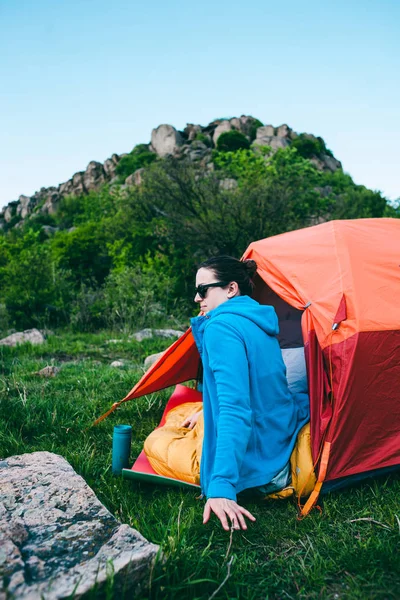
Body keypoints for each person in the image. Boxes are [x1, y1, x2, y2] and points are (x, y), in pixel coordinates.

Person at [185, 256, 309, 531]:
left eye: (203, 289)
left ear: (231, 289)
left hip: (259, 466)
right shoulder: (257, 320)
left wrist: (222, 485)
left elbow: (235, 409)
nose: (197, 297)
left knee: (158, 444)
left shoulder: (221, 327)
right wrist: (207, 410)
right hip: (279, 436)